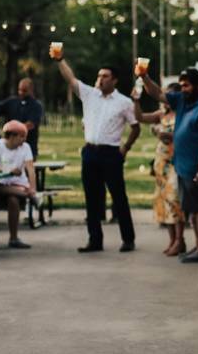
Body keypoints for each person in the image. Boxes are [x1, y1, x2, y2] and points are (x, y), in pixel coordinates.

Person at [52, 47, 140, 253]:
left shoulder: (124, 102)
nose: (100, 79)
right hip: (90, 152)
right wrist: (60, 60)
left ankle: (128, 239)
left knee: (118, 197)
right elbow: (71, 79)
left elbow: (136, 127)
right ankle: (95, 240)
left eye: (105, 76)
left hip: (111, 153)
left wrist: (126, 147)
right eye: (99, 75)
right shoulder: (89, 94)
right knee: (91, 198)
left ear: (114, 80)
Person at [138, 67, 198, 263]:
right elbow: (157, 93)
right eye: (181, 85)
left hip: (196, 168)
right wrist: (144, 76)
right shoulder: (183, 101)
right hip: (181, 165)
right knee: (191, 208)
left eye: (187, 85)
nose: (183, 89)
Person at [132, 84, 187, 256]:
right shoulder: (161, 114)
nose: (167, 99)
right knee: (162, 201)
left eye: (171, 95)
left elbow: (188, 136)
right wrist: (136, 102)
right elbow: (140, 117)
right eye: (166, 95)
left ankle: (180, 240)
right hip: (161, 163)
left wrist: (173, 136)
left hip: (176, 162)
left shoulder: (183, 114)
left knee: (174, 201)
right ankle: (172, 240)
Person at [0, 120, 38, 249]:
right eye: (21, 136)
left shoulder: (25, 147)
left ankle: (13, 238)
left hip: (18, 184)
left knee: (13, 200)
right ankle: (28, 195)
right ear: (12, 136)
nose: (24, 140)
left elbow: (31, 169)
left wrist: (33, 187)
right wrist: (6, 170)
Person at [0, 78, 45, 158]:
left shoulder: (36, 106)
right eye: (19, 90)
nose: (21, 92)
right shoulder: (12, 102)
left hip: (29, 146)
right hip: (9, 148)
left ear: (31, 90)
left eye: (24, 90)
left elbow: (31, 124)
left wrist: (12, 130)